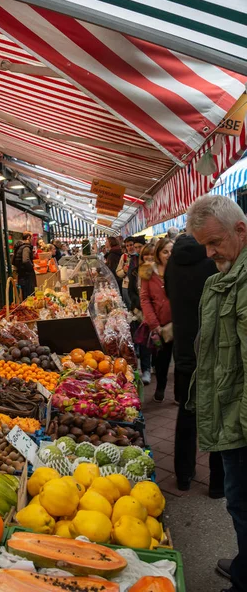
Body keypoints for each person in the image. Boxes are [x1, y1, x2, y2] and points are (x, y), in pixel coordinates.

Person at [186, 195, 247, 592]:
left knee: (242, 502)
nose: (209, 254)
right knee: (239, 502)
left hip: (242, 420)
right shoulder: (221, 279)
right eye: (204, 246)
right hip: (229, 410)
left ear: (240, 230)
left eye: (214, 243)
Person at [164, 234, 224, 494]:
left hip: (184, 349)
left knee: (187, 412)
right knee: (217, 414)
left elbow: (169, 294)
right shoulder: (211, 263)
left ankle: (183, 475)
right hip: (212, 347)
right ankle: (218, 484)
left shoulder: (172, 264)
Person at [140, 238, 173, 402]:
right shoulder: (147, 271)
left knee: (181, 360)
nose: (169, 255)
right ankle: (160, 387)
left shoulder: (178, 269)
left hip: (178, 322)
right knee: (161, 360)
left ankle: (180, 394)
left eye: (171, 251)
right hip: (159, 324)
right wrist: (154, 324)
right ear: (159, 253)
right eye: (165, 251)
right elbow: (145, 299)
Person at [129, 243, 154, 385]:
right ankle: (146, 369)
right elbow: (131, 292)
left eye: (152, 254)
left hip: (156, 312)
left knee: (157, 342)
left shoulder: (161, 271)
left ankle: (154, 365)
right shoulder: (135, 271)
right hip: (140, 312)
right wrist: (139, 304)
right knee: (144, 341)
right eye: (146, 254)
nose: (149, 257)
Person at [12, 231, 36, 299]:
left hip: (21, 275)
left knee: (25, 296)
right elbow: (25, 260)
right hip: (27, 276)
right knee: (29, 296)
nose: (32, 239)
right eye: (32, 237)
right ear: (28, 237)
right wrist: (31, 266)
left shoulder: (19, 246)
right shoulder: (26, 247)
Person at [116, 236, 136, 308]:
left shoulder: (139, 255)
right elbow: (118, 272)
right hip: (126, 286)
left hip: (137, 286)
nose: (129, 247)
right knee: (128, 307)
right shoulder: (124, 256)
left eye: (131, 245)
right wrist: (124, 271)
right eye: (127, 246)